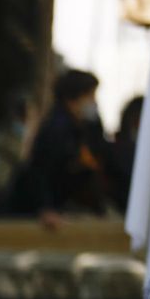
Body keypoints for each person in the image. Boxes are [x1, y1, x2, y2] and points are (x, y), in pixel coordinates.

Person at [7, 69, 112, 227]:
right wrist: (46, 209)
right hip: (28, 211)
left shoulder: (85, 128)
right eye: (89, 96)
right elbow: (40, 172)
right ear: (72, 99)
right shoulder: (56, 128)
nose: (93, 102)